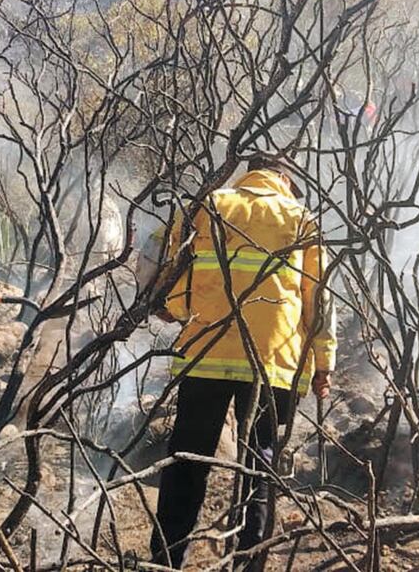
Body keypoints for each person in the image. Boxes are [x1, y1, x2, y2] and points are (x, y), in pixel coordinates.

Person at [143, 153, 337, 569]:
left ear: (249, 174)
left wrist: (164, 303)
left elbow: (161, 252)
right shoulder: (300, 219)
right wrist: (324, 363)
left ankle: (165, 560)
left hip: (205, 353)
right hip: (272, 361)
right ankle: (250, 563)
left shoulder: (211, 204)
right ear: (286, 179)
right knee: (259, 467)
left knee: (186, 461)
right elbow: (317, 298)